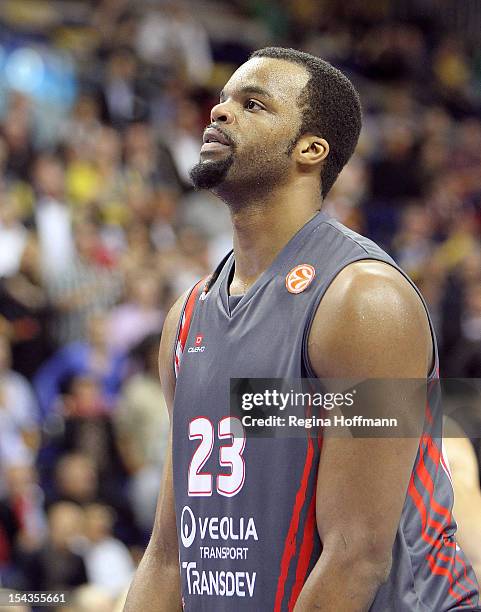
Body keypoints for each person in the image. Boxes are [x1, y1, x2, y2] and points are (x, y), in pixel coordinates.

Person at [124, 47, 480, 611]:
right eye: (221, 100)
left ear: (311, 150)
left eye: (253, 103)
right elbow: (169, 553)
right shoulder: (187, 315)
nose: (219, 112)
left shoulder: (364, 299)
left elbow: (356, 556)